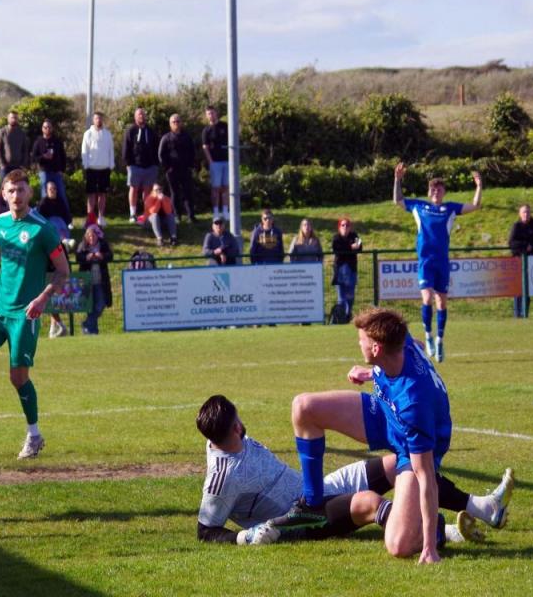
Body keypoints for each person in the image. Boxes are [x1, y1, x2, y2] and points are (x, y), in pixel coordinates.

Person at [196, 395, 514, 546]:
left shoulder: (238, 439)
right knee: (367, 503)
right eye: (239, 420)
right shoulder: (221, 478)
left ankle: (484, 507)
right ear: (235, 429)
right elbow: (205, 531)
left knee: (399, 463)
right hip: (303, 518)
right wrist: (246, 537)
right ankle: (445, 533)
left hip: (314, 491)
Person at [283, 308, 452, 563]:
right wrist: (370, 372)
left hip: (409, 444)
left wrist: (429, 547)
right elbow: (414, 345)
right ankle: (312, 505)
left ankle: (433, 528)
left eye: (361, 340)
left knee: (398, 545)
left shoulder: (413, 403)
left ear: (376, 349)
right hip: (385, 414)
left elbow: (426, 476)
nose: (358, 343)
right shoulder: (400, 339)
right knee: (304, 407)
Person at [0, 169, 70, 459]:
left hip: (25, 313)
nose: (16, 195)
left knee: (17, 378)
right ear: (3, 195)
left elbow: (63, 271)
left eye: (21, 190)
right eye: (11, 190)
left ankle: (34, 435)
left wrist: (43, 298)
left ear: (30, 193)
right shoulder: (0, 222)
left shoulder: (43, 229)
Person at [394, 163, 482, 362]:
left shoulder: (449, 208)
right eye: (433, 189)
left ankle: (440, 340)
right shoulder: (419, 206)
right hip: (426, 261)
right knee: (426, 299)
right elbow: (398, 200)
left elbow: (475, 206)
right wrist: (397, 179)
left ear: (443, 192)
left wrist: (479, 186)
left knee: (441, 302)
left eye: (439, 189)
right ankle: (428, 335)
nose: (436, 192)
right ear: (428, 191)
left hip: (442, 262)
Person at [158, 113, 197, 223]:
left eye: (178, 121)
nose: (176, 123)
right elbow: (161, 155)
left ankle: (191, 216)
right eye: (173, 122)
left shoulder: (187, 137)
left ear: (181, 123)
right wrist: (167, 168)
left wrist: (191, 166)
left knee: (188, 192)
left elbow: (192, 152)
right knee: (174, 193)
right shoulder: (166, 138)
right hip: (172, 171)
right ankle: (176, 216)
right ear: (170, 124)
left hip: (185, 170)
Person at [122, 107, 159, 223]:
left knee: (147, 191)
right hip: (134, 166)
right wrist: (127, 164)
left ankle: (146, 213)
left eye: (143, 114)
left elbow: (156, 147)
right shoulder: (131, 130)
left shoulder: (151, 131)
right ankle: (132, 214)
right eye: (139, 114)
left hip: (150, 166)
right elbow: (126, 148)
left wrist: (156, 164)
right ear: (135, 117)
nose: (141, 116)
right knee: (134, 189)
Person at [76, 224, 113, 335]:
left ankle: (87, 324)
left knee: (101, 304)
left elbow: (110, 256)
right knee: (90, 307)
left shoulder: (103, 245)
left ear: (97, 236)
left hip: (100, 281)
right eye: (89, 237)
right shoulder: (82, 246)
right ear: (86, 237)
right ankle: (92, 331)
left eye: (93, 236)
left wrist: (102, 256)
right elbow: (78, 257)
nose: (92, 238)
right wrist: (86, 258)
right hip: (87, 282)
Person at [508, 204, 533, 318]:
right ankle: (517, 313)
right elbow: (511, 243)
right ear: (520, 214)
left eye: (528, 212)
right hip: (518, 261)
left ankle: (525, 313)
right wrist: (525, 246)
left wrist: (532, 245)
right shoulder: (516, 226)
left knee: (527, 289)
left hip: (531, 261)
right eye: (524, 212)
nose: (526, 214)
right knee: (518, 288)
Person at [81, 111, 114, 228]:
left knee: (102, 194)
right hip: (91, 168)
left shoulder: (107, 134)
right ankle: (90, 218)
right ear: (93, 120)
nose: (98, 121)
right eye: (96, 119)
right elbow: (84, 150)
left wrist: (111, 164)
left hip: (104, 168)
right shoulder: (88, 134)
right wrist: (86, 165)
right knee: (91, 195)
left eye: (100, 119)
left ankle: (101, 217)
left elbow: (111, 150)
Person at [0, 110, 30, 213]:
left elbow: (25, 150)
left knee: (19, 189)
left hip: (18, 167)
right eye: (12, 117)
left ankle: (18, 211)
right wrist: (2, 164)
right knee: (4, 189)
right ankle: (2, 211)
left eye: (15, 118)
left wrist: (24, 164)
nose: (14, 119)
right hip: (5, 167)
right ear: (8, 119)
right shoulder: (2, 132)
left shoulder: (21, 133)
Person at [31, 119, 69, 212]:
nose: (47, 129)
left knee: (61, 194)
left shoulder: (57, 141)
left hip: (56, 172)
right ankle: (45, 217)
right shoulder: (38, 142)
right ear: (42, 129)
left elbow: (63, 156)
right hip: (44, 172)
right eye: (45, 127)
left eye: (49, 127)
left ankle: (66, 219)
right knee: (45, 195)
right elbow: (33, 157)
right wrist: (43, 157)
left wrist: (62, 170)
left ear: (52, 128)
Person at [201, 106, 229, 221]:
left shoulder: (225, 126)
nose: (211, 115)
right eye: (208, 114)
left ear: (216, 113)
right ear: (206, 116)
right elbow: (205, 147)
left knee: (226, 187)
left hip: (227, 161)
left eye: (212, 113)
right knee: (216, 189)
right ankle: (216, 212)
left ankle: (226, 212)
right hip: (215, 163)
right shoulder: (206, 130)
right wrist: (210, 161)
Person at [331, 218, 362, 318]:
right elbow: (337, 249)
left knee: (350, 295)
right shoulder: (336, 238)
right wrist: (350, 248)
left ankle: (348, 313)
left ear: (350, 227)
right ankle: (342, 316)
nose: (345, 227)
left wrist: (354, 247)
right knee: (341, 296)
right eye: (343, 225)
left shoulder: (354, 236)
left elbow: (360, 247)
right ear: (339, 227)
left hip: (351, 269)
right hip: (339, 270)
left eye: (347, 225)